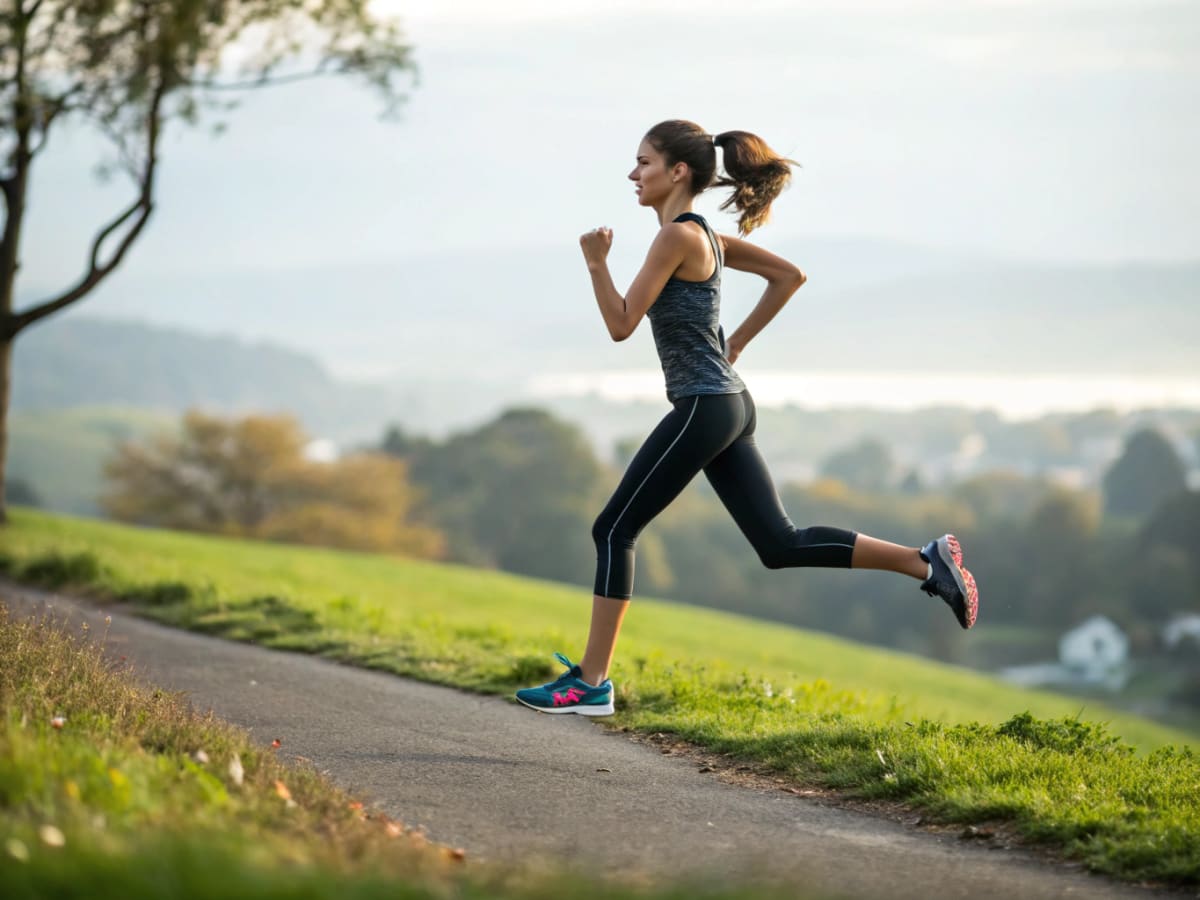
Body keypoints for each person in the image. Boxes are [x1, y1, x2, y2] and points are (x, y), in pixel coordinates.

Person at [515, 120, 978, 717]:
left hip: (706, 407)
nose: (633, 175)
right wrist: (735, 346)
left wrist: (596, 263)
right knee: (778, 543)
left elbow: (621, 323)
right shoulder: (704, 235)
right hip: (730, 403)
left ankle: (591, 683)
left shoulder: (674, 238)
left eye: (643, 163)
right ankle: (923, 559)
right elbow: (790, 276)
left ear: (678, 172)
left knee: (613, 530)